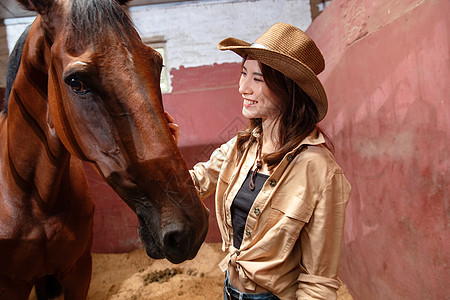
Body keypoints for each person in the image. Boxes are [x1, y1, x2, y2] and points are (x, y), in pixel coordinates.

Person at [166, 23, 351, 300]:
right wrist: (166, 148)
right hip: (230, 288)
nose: (242, 87)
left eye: (257, 79)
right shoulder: (242, 146)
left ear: (287, 89)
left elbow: (318, 282)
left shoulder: (321, 172)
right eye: (243, 73)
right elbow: (191, 185)